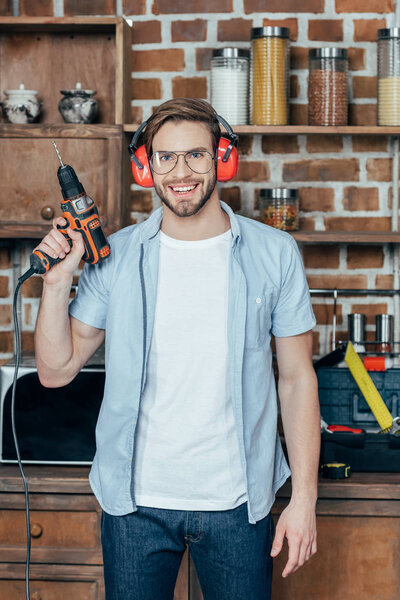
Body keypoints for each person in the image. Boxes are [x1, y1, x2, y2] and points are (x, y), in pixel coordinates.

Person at [34, 98, 320, 600]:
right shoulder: (115, 258)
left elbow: (297, 380)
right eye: (165, 157)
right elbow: (56, 370)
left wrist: (304, 501)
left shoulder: (274, 253)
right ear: (146, 166)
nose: (181, 172)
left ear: (221, 160)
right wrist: (57, 284)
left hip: (240, 505)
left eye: (195, 156)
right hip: (135, 508)